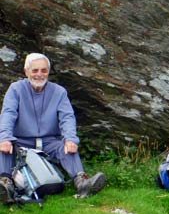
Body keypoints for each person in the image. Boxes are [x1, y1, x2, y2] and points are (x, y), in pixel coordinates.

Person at [0, 53, 106, 204]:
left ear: (48, 72)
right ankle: (6, 186)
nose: (39, 74)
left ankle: (82, 183)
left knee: (67, 146)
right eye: (35, 70)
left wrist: (70, 138)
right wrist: (4, 138)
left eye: (44, 70)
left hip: (49, 141)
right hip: (21, 140)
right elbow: (8, 114)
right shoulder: (16, 89)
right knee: (5, 145)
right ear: (26, 72)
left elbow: (67, 117)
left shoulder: (59, 91)